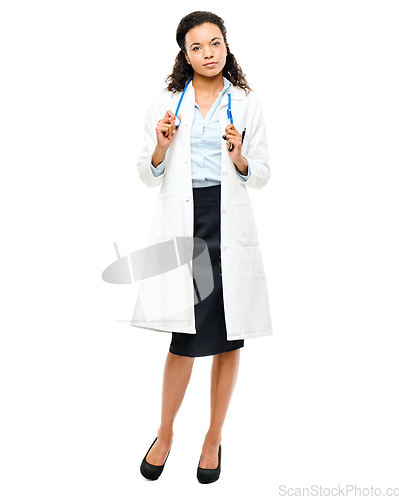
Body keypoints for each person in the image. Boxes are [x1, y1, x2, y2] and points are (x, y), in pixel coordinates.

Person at [136, 11, 272, 483]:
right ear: (185, 54)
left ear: (226, 46)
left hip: (227, 223)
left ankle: (213, 436)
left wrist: (240, 158)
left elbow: (263, 173)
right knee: (185, 338)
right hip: (187, 223)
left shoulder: (247, 103)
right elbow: (146, 171)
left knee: (228, 334)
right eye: (197, 47)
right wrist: (160, 145)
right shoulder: (168, 101)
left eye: (215, 43)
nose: (208, 53)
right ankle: (166, 432)